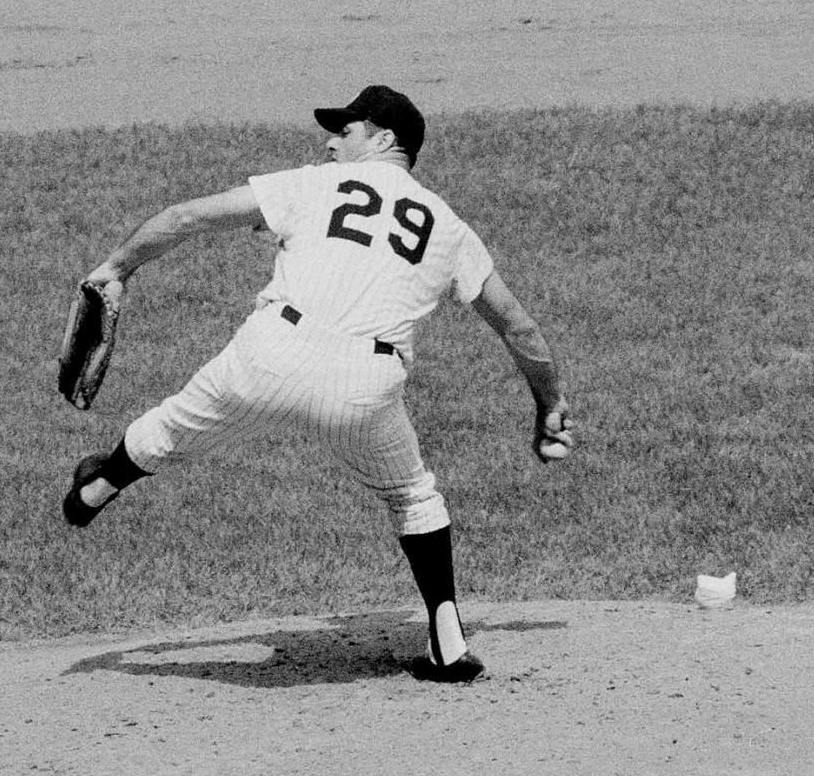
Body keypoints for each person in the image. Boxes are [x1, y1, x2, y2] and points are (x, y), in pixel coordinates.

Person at [62, 85, 574, 683]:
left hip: (271, 355)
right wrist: (550, 404)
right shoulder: (449, 228)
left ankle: (101, 484)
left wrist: (118, 268)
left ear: (385, 141)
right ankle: (448, 643)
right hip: (365, 386)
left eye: (347, 131)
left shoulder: (313, 182)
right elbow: (519, 329)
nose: (332, 141)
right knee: (412, 494)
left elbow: (186, 217)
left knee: (174, 426)